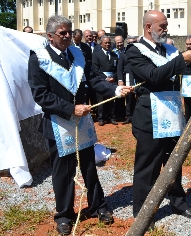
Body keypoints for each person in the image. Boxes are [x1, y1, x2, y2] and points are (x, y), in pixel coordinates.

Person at [28, 15, 131, 235]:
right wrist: (69, 108)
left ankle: (98, 206)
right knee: (63, 173)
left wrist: (114, 90)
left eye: (69, 32)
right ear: (50, 36)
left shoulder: (78, 53)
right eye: (62, 33)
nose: (67, 36)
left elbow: (93, 78)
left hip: (82, 120)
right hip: (58, 122)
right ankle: (64, 215)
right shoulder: (39, 58)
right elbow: (40, 94)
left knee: (89, 167)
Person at [126, 10, 191, 219]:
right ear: (149, 27)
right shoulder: (134, 51)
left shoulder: (167, 49)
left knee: (173, 162)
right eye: (162, 25)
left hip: (172, 115)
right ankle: (142, 212)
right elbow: (153, 76)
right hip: (150, 118)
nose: (166, 29)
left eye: (166, 25)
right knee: (147, 167)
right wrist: (180, 61)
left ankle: (178, 202)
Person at [92, 36, 119, 126]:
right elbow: (95, 69)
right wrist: (105, 77)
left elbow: (117, 69)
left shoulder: (114, 55)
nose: (107, 44)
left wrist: (113, 77)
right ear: (101, 44)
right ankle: (101, 118)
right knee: (101, 99)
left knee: (111, 100)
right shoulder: (96, 54)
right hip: (101, 80)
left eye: (109, 43)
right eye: (105, 43)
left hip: (112, 80)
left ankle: (111, 117)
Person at [117, 35, 137, 124]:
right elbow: (119, 68)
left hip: (138, 77)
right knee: (129, 97)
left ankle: (137, 115)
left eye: (133, 42)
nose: (131, 44)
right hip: (128, 77)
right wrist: (120, 80)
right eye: (129, 43)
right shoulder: (123, 54)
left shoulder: (140, 53)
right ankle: (129, 116)